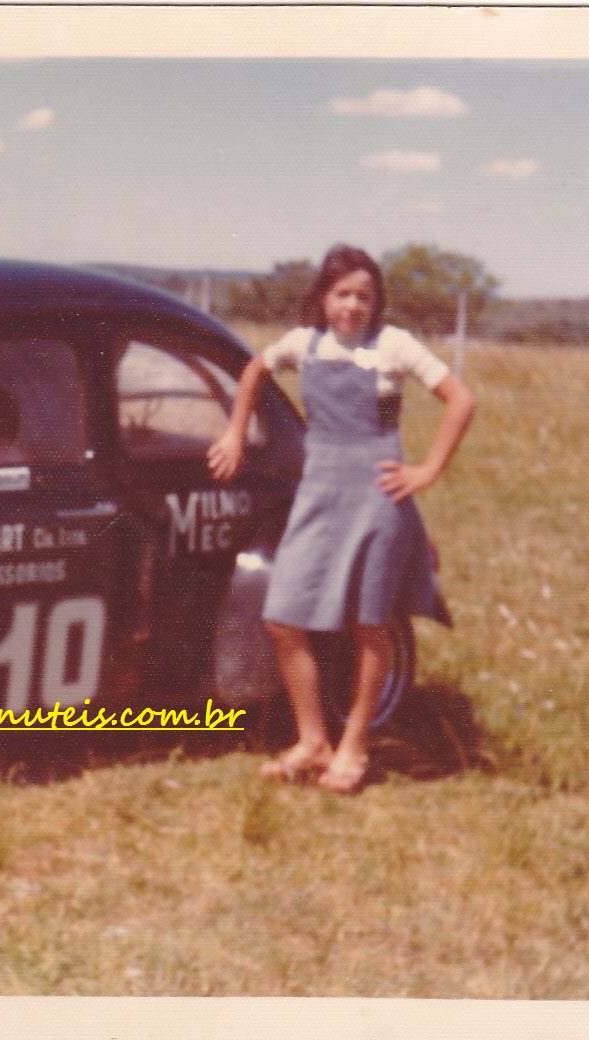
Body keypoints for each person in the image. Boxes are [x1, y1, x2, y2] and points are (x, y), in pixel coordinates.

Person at [207, 244, 476, 794]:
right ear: (323, 299)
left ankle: (353, 745)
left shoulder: (394, 345)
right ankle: (312, 740)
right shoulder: (303, 344)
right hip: (318, 495)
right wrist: (234, 432)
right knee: (283, 619)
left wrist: (426, 470)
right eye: (342, 294)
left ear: (376, 303)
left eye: (364, 296)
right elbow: (255, 368)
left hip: (377, 499)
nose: (353, 306)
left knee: (369, 623)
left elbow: (461, 399)